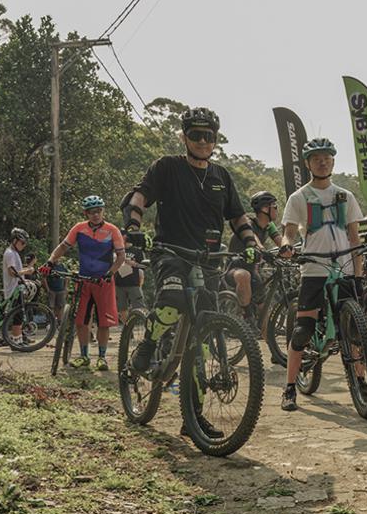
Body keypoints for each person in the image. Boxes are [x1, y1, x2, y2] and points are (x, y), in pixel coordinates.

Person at [122, 107, 262, 378]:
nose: (202, 141)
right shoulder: (167, 166)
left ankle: (194, 414)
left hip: (208, 259)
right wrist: (132, 228)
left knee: (205, 329)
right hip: (170, 252)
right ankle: (149, 344)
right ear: (184, 137)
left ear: (215, 140)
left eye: (208, 136)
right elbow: (139, 197)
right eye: (195, 134)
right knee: (172, 301)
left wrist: (251, 244)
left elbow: (238, 217)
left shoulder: (221, 176)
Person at [279, 138, 365, 412]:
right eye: (316, 158)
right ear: (308, 163)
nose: (322, 161)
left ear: (333, 161)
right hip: (314, 268)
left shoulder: (345, 196)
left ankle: (362, 380)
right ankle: (290, 387)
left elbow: (355, 237)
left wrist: (359, 274)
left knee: (354, 331)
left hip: (344, 268)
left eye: (327, 157)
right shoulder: (299, 197)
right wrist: (286, 245)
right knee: (303, 329)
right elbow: (289, 232)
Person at [43, 196, 125, 370]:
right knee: (81, 321)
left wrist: (110, 273)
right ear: (86, 213)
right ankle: (84, 355)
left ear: (103, 211)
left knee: (104, 322)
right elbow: (63, 247)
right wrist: (50, 262)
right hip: (84, 280)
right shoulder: (79, 229)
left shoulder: (112, 230)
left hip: (104, 281)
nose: (96, 215)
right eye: (91, 212)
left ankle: (102, 357)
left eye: (98, 211)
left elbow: (121, 257)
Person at [226, 190, 289, 328]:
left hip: (253, 269)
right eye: (275, 206)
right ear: (265, 208)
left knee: (263, 308)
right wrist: (261, 249)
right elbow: (254, 239)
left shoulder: (269, 226)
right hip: (235, 268)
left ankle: (270, 344)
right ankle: (247, 315)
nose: (277, 210)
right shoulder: (248, 222)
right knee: (244, 275)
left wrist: (291, 251)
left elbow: (281, 242)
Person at [3, 227, 36, 344]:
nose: (24, 245)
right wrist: (27, 271)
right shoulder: (10, 253)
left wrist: (25, 270)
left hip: (18, 287)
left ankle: (19, 338)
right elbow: (12, 272)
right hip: (12, 288)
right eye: (22, 242)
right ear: (15, 240)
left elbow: (18, 271)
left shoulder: (15, 253)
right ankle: (16, 340)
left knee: (21, 313)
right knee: (17, 314)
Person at [115, 244, 146, 322]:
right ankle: (127, 330)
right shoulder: (114, 250)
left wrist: (134, 264)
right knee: (122, 308)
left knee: (140, 307)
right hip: (119, 284)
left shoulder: (137, 251)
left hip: (134, 284)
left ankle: (146, 327)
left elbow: (144, 266)